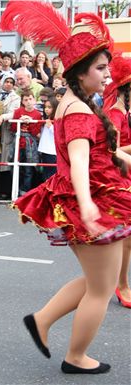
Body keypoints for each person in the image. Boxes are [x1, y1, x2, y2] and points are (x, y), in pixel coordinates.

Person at [0, 2, 131, 374]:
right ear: (79, 72)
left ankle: (41, 321)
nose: (108, 76)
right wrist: (89, 206)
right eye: (101, 69)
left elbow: (106, 157)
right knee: (102, 290)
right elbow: (78, 162)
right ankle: (76, 357)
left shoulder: (81, 103)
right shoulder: (77, 111)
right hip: (91, 202)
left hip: (99, 197)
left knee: (96, 281)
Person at [103, 53, 131, 308]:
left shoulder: (124, 110)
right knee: (125, 237)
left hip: (127, 174)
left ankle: (120, 282)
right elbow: (113, 150)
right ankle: (120, 284)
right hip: (120, 177)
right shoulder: (116, 113)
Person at [0, 74, 21, 199]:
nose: (8, 84)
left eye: (11, 82)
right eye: (6, 81)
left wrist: (2, 117)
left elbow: (14, 112)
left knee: (4, 160)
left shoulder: (16, 97)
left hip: (6, 130)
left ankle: (4, 191)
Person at [11, 90, 42, 195]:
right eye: (26, 100)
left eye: (30, 99)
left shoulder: (37, 114)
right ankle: (16, 189)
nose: (28, 102)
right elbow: (13, 128)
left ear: (34, 100)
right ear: (22, 101)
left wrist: (30, 121)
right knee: (15, 167)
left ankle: (25, 191)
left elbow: (35, 132)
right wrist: (20, 120)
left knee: (28, 169)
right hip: (18, 142)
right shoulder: (18, 111)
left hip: (30, 143)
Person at [38, 96, 58, 181]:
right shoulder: (46, 119)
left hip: (52, 152)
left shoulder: (57, 119)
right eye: (45, 107)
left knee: (51, 175)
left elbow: (60, 133)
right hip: (45, 150)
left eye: (49, 107)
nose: (46, 109)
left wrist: (50, 126)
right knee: (46, 174)